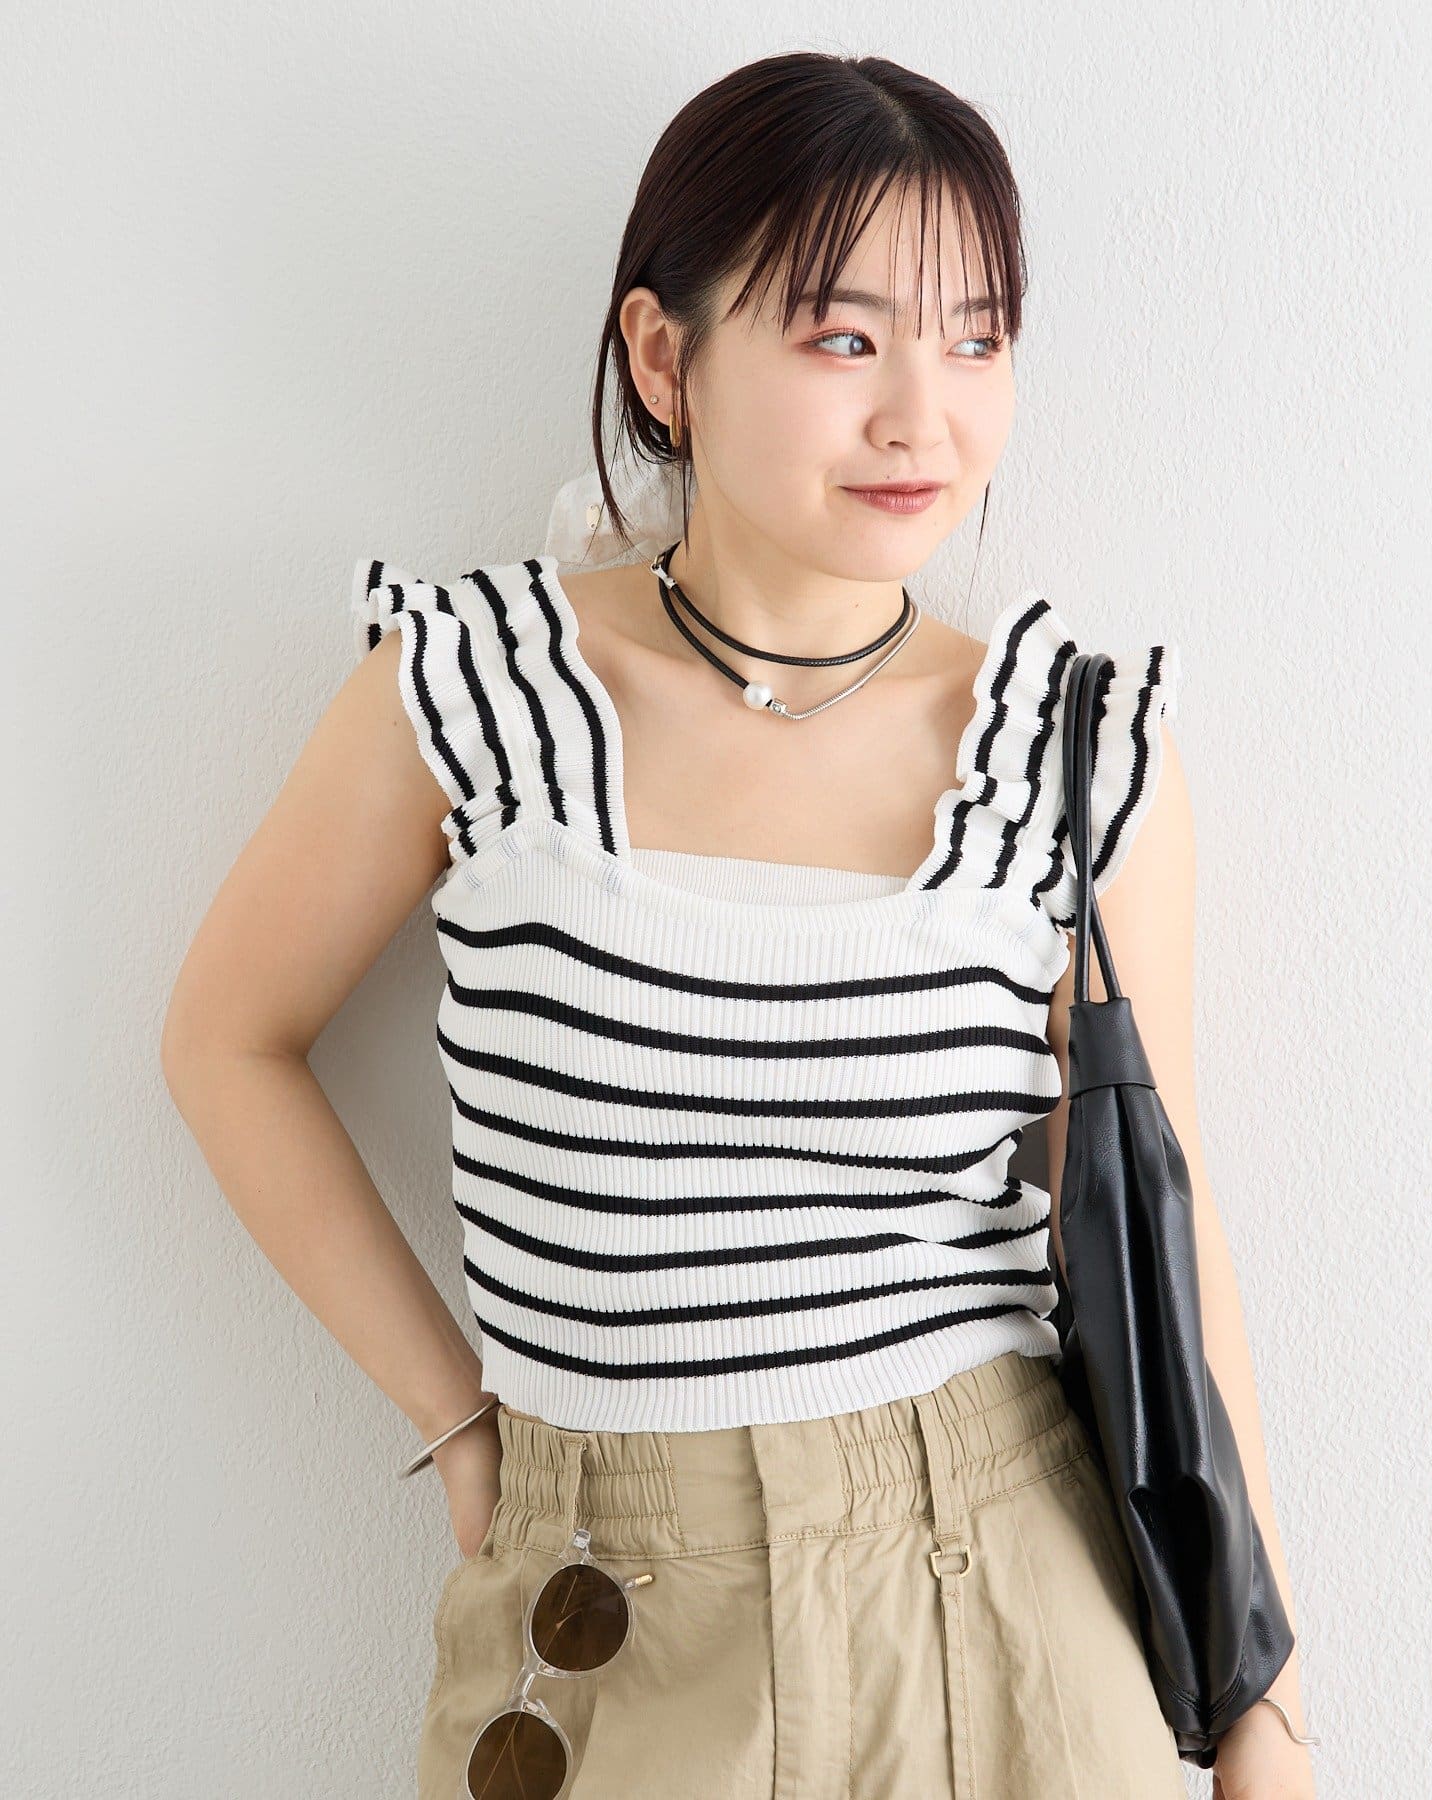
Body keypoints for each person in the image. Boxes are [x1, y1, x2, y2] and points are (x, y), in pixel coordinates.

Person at [161, 50, 1316, 1800]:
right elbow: (226, 1039)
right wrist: (458, 1419)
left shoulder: (1071, 749)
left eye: (978, 338)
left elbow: (1163, 1242)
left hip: (1002, 1593)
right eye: (846, 339)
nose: (924, 416)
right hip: (610, 1605)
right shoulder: (474, 686)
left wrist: (1262, 1716)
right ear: (663, 358)